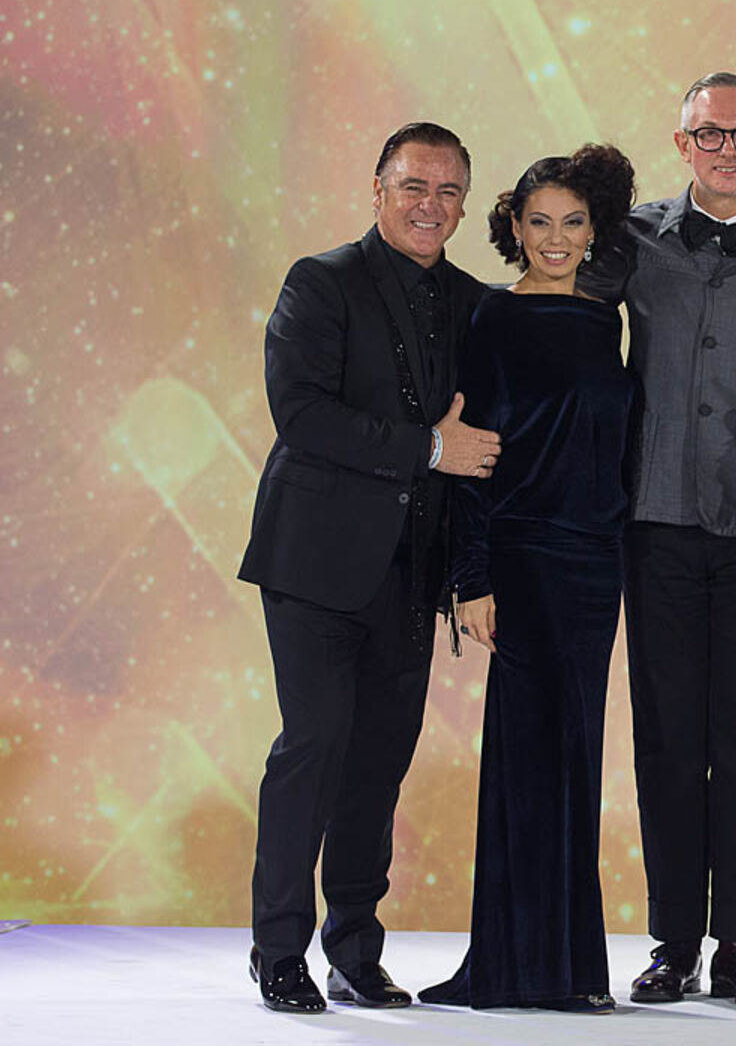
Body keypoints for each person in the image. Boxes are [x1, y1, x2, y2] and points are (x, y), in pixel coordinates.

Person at [577, 72, 736, 1007]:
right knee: (665, 738)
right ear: (682, 143)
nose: (729, 149)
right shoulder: (633, 238)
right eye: (711, 134)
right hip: (653, 518)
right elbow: (561, 308)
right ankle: (673, 939)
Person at [238, 122, 500, 1014]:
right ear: (378, 189)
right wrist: (427, 447)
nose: (431, 205)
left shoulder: (473, 302)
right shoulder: (320, 282)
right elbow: (302, 414)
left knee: (379, 763)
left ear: (464, 203)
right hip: (314, 563)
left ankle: (353, 950)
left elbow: (479, 446)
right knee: (313, 747)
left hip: (412, 571)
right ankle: (279, 951)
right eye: (414, 186)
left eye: (448, 191)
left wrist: (470, 572)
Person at [418, 145, 636, 1013]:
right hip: (521, 559)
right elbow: (471, 453)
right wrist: (471, 577)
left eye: (573, 222)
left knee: (576, 756)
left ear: (594, 232)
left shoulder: (603, 319)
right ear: (513, 225)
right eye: (539, 221)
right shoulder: (492, 317)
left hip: (595, 565)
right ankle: (515, 966)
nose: (556, 238)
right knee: (527, 758)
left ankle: (569, 968)